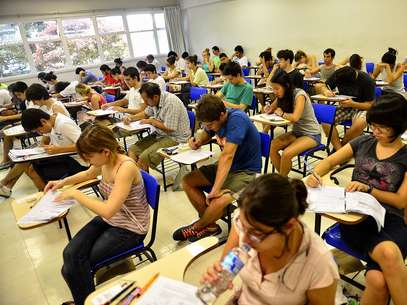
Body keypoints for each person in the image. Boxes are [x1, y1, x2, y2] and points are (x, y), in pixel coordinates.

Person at [305, 93, 407, 305]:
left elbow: (399, 201)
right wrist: (316, 174)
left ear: (399, 126)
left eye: (383, 127)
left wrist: (369, 189)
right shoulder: (364, 142)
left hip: (392, 220)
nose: (376, 131)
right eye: (373, 125)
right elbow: (330, 161)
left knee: (377, 280)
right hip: (356, 217)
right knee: (388, 255)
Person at [45, 124, 149, 305]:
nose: (88, 161)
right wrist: (61, 183)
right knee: (70, 255)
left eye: (89, 157)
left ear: (105, 151)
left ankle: (83, 301)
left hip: (131, 228)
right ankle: (84, 301)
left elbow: (109, 209)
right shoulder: (104, 161)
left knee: (74, 266)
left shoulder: (125, 168)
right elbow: (87, 174)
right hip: (112, 220)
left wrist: (76, 194)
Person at [201, 174, 339, 305]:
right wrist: (217, 275)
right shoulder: (248, 220)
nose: (245, 240)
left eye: (256, 233)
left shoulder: (318, 264)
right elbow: (225, 268)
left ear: (288, 226)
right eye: (241, 226)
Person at [173, 94, 261, 242]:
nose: (208, 128)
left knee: (217, 201)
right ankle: (211, 226)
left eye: (210, 124)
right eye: (206, 124)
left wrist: (215, 190)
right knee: (188, 181)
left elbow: (227, 156)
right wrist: (198, 141)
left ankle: (197, 227)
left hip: (246, 171)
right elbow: (207, 134)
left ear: (222, 114)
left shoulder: (237, 120)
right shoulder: (215, 118)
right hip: (227, 167)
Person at [0, 108, 85, 197]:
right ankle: (6, 186)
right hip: (60, 155)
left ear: (43, 121)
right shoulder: (50, 121)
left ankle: (46, 196)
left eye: (38, 130)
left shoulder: (64, 124)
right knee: (25, 159)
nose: (39, 133)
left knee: (32, 168)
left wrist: (59, 149)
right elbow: (45, 138)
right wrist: (40, 148)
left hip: (76, 160)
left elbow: (84, 145)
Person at [265, 70, 321, 176]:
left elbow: (295, 118)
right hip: (297, 132)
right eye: (273, 88)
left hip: (311, 134)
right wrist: (268, 108)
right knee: (272, 146)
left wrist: (281, 114)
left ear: (286, 85)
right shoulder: (283, 94)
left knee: (287, 154)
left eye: (277, 88)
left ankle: (282, 181)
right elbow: (271, 108)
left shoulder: (299, 95)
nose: (275, 92)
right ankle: (283, 177)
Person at [124, 83, 190, 171]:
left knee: (143, 158)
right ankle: (134, 178)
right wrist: (131, 118)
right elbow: (145, 113)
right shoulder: (154, 101)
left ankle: (140, 181)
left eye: (146, 101)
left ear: (155, 97)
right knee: (132, 150)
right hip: (161, 134)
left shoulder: (171, 102)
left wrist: (152, 121)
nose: (145, 103)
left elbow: (170, 128)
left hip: (176, 138)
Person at [319, 66, 375, 151]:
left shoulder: (367, 80)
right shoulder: (339, 74)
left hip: (362, 107)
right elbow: (322, 85)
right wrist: (325, 91)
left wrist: (353, 104)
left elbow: (370, 105)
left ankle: (342, 149)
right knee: (326, 121)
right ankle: (339, 150)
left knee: (360, 123)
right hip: (346, 106)